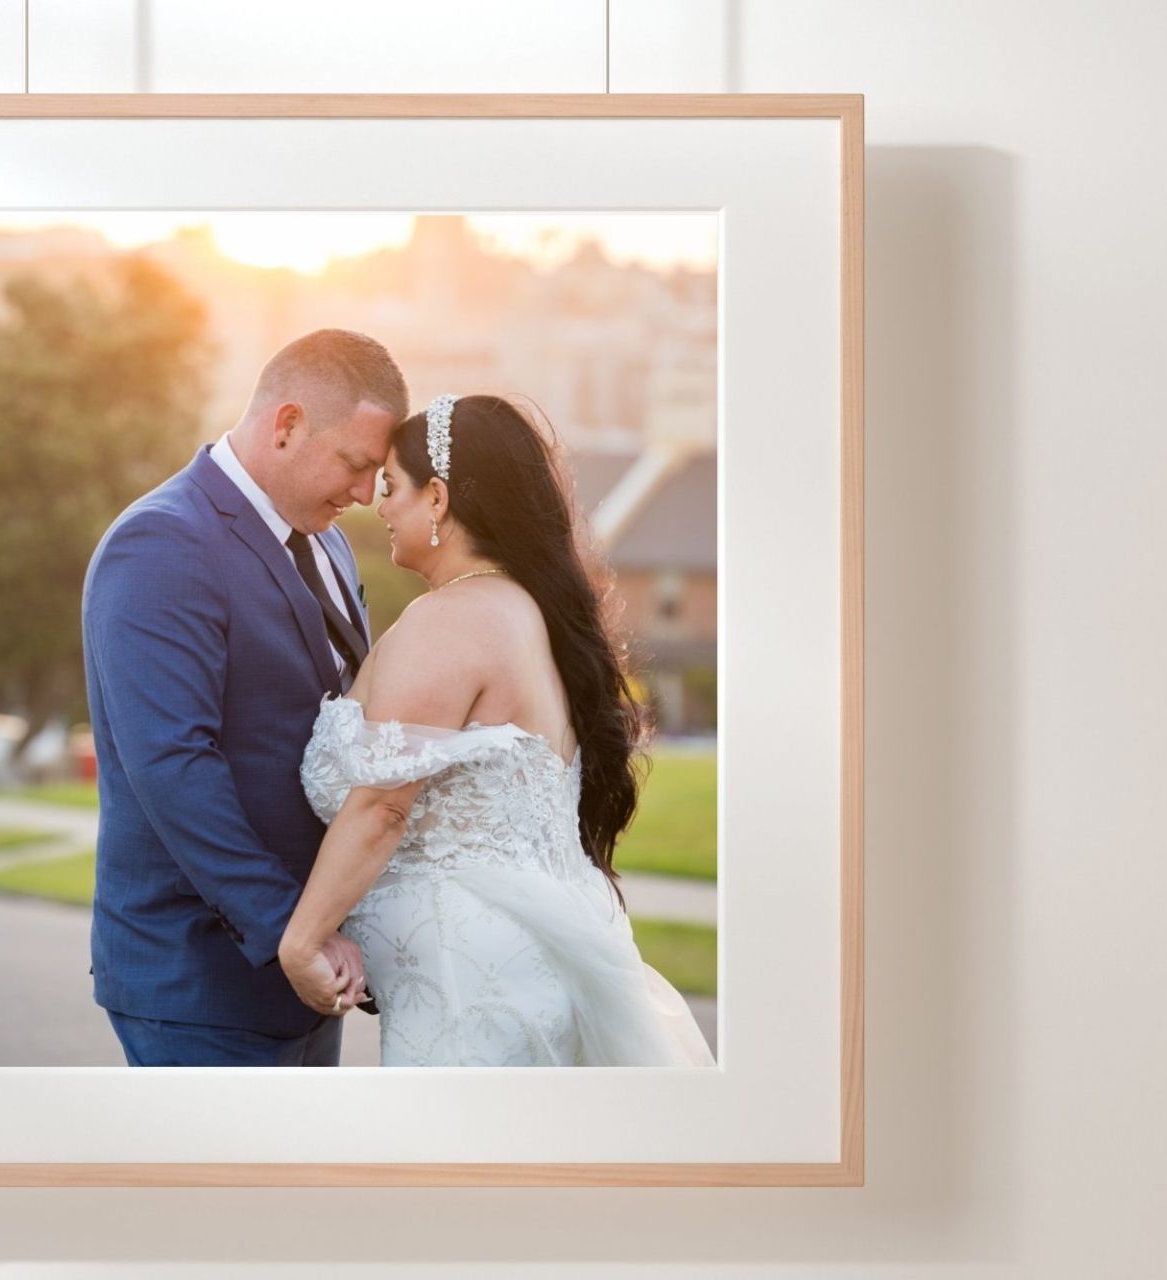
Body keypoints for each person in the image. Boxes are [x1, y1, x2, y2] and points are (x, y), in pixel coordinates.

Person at [285, 394, 717, 1067]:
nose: (378, 503)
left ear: (438, 499)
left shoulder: (450, 621)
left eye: (392, 486)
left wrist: (302, 942)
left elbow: (384, 805)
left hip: (468, 985)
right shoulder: (528, 613)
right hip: (527, 962)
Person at [81, 329, 406, 1066]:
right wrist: (295, 933)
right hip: (200, 980)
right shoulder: (162, 543)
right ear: (287, 425)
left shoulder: (326, 541)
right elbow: (173, 766)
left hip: (308, 974)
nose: (363, 495)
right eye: (355, 464)